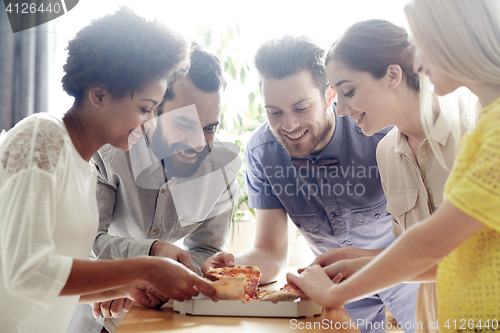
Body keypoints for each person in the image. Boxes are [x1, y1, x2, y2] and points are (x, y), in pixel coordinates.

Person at [287, 1, 500, 332]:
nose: (417, 61)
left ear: (392, 76)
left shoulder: (480, 129)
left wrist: (336, 292)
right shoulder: (387, 152)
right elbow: (439, 258)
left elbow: (432, 244)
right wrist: (359, 262)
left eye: (348, 91)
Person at [0, 8, 216, 333]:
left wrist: (125, 286)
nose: (151, 123)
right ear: (99, 94)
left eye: (156, 110)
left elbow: (51, 284)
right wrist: (145, 266)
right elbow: (24, 273)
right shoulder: (41, 137)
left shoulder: (82, 167)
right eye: (145, 109)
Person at [235, 35, 419, 333]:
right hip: (341, 300)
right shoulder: (261, 153)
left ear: (330, 95)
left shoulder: (382, 132)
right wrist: (234, 265)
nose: (289, 125)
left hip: (413, 282)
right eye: (274, 112)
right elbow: (270, 251)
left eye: (301, 108)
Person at [67, 44, 241, 333]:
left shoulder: (220, 167)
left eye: (210, 128)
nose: (199, 144)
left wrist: (165, 277)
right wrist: (152, 254)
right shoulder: (105, 150)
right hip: (88, 313)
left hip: (162, 318)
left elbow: (206, 249)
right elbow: (83, 244)